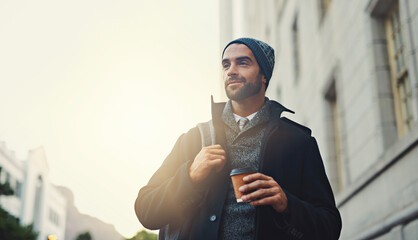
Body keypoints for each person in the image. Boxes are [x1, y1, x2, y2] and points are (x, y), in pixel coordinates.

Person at [135, 38, 342, 240]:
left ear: (264, 76)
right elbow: (146, 211)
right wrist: (189, 176)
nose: (231, 71)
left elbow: (329, 228)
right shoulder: (194, 139)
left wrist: (286, 204)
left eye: (242, 63)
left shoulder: (298, 142)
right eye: (226, 65)